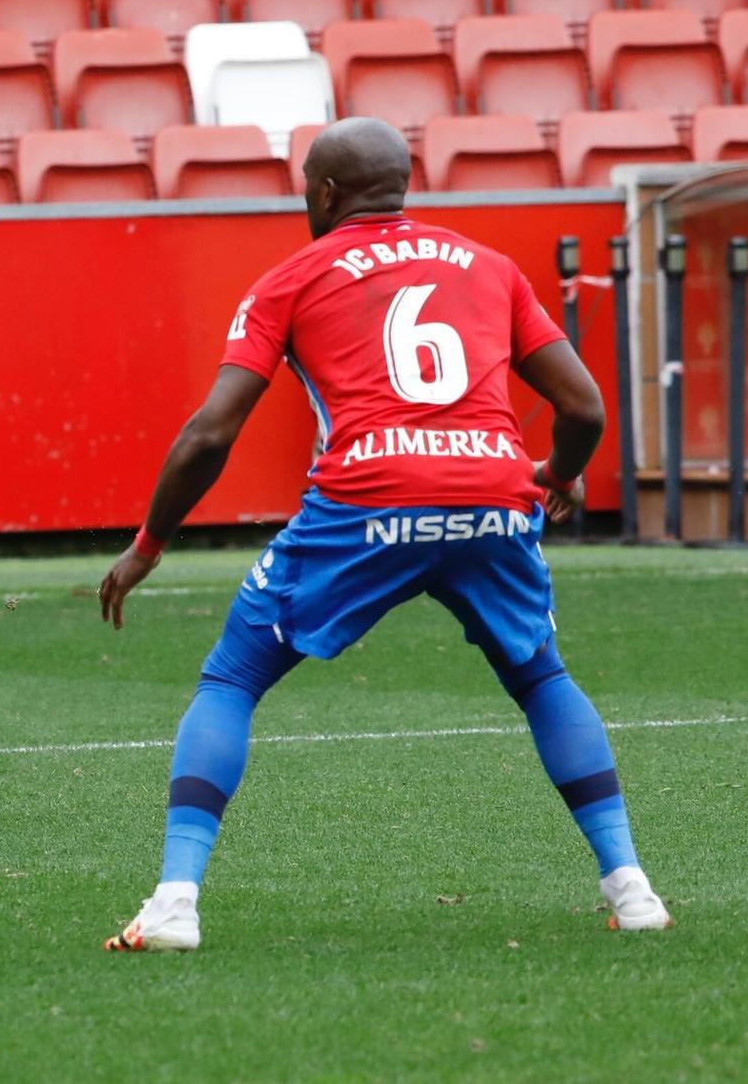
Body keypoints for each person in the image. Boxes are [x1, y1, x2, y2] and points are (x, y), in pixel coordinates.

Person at [94, 116, 672, 952]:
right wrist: (557, 475)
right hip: (491, 492)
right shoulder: (489, 265)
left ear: (325, 192)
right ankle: (633, 888)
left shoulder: (290, 279)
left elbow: (208, 435)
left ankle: (175, 903)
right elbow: (583, 405)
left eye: (305, 187)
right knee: (542, 676)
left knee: (232, 680)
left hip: (370, 499)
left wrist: (148, 544)